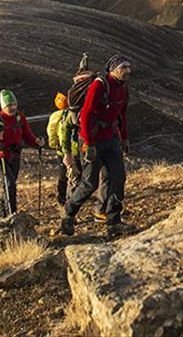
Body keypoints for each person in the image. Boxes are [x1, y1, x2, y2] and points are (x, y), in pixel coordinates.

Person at [60, 55, 132, 237]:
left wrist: (124, 138)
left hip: (111, 139)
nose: (128, 71)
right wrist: (89, 144)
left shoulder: (123, 87)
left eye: (129, 67)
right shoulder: (100, 85)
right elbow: (85, 114)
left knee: (118, 177)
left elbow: (122, 113)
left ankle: (113, 220)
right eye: (124, 67)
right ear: (113, 68)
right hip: (93, 139)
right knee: (89, 182)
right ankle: (68, 213)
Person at [0, 89, 43, 218]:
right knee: (10, 184)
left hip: (14, 157)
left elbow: (27, 135)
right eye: (9, 105)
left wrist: (36, 142)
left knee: (8, 186)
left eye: (14, 104)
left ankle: (3, 214)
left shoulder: (19, 117)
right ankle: (12, 215)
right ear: (3, 106)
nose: (12, 108)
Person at [47, 92, 82, 206]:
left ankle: (62, 197)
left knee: (63, 175)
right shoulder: (72, 115)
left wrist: (55, 145)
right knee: (75, 175)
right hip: (74, 150)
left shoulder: (55, 116)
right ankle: (71, 200)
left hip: (61, 150)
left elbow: (52, 134)